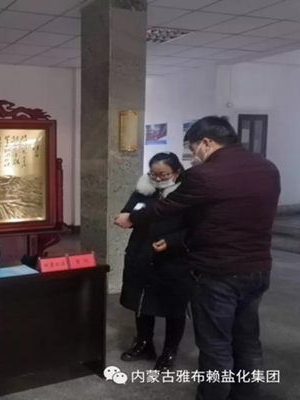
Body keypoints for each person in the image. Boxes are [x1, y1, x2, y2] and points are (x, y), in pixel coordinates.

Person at [114, 116, 280, 400]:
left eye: (193, 149)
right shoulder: (267, 168)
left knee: (215, 344)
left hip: (217, 271)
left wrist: (132, 218)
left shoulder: (205, 174)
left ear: (207, 142)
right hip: (258, 268)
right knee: (247, 340)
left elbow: (167, 207)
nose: (194, 156)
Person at [119, 152, 190, 372]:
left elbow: (196, 227)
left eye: (163, 175)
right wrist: (124, 217)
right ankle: (144, 343)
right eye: (153, 174)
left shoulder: (187, 192)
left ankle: (170, 351)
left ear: (177, 172)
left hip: (174, 257)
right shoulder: (144, 188)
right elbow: (128, 212)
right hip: (141, 251)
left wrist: (173, 241)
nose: (158, 179)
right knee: (141, 301)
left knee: (174, 305)